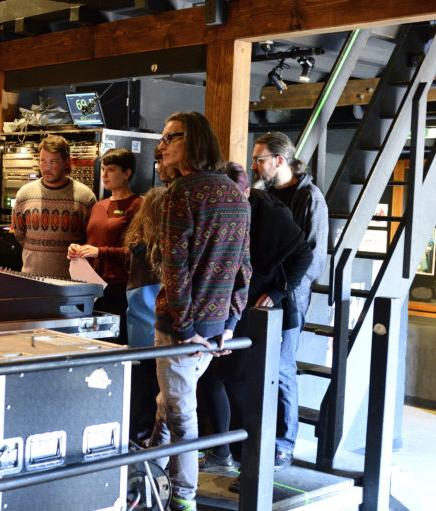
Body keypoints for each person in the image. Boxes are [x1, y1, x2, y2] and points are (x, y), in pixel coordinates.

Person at [149, 111, 252, 511]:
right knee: (170, 402)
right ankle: (150, 469)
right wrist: (230, 323)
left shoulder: (181, 193)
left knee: (182, 415)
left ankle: (183, 497)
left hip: (181, 328)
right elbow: (244, 267)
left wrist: (185, 325)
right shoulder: (235, 194)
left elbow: (175, 268)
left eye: (170, 137)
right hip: (214, 327)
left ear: (192, 141)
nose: (161, 146)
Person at [196, 164, 313, 488]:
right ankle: (224, 453)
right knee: (213, 378)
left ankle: (252, 466)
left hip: (261, 310)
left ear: (247, 192)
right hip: (228, 304)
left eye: (233, 196)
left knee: (244, 386)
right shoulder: (222, 208)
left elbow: (303, 256)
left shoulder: (272, 215)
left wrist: (277, 292)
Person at [251, 131, 328, 471]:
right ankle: (257, 439)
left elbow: (313, 258)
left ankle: (283, 445)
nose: (255, 166)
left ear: (279, 160)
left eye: (260, 159)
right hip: (260, 294)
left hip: (289, 298)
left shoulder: (310, 197)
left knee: (282, 369)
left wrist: (280, 291)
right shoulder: (263, 195)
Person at [67, 148, 142, 344]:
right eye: (103, 169)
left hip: (119, 288)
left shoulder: (137, 205)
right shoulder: (98, 206)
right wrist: (78, 250)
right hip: (92, 287)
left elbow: (137, 253)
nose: (105, 175)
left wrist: (99, 252)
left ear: (127, 173)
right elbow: (93, 243)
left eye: (111, 169)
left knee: (114, 344)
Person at [12, 135, 97, 278]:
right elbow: (19, 234)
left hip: (70, 281)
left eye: (53, 161)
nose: (47, 167)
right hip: (31, 279)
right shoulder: (24, 194)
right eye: (43, 161)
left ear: (66, 162)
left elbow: (91, 241)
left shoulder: (85, 197)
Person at [122, 186, 167, 442]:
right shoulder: (159, 247)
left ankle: (136, 433)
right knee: (156, 382)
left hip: (138, 312)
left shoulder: (136, 241)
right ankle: (146, 433)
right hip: (156, 314)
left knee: (140, 381)